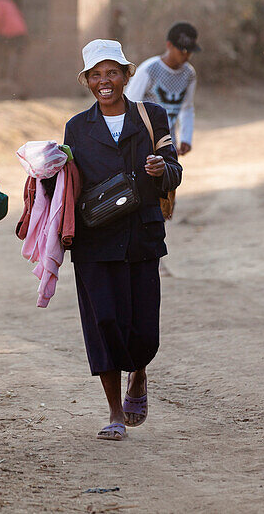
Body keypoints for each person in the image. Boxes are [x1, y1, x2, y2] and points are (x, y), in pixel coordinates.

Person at [63, 40, 182, 442]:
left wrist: (159, 168)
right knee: (104, 324)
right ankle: (114, 412)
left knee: (144, 328)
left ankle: (140, 371)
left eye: (111, 72)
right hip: (94, 239)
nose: (104, 82)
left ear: (127, 76)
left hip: (141, 236)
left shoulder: (152, 117)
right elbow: (69, 182)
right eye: (96, 75)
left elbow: (175, 170)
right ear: (87, 81)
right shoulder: (77, 127)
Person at [125, 22, 200, 156]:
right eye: (182, 51)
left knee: (170, 175)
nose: (186, 55)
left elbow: (187, 107)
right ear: (169, 45)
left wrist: (186, 138)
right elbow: (129, 103)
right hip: (144, 138)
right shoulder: (149, 69)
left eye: (190, 51)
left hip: (168, 139)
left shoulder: (189, 74)